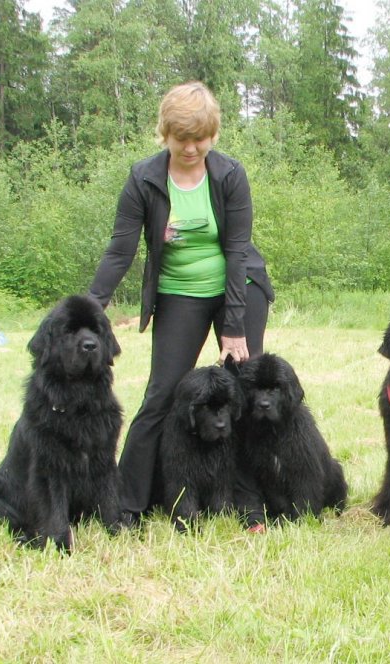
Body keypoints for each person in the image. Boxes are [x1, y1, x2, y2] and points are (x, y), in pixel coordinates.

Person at [88, 81, 274, 523]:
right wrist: (92, 307)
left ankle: (249, 501)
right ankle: (127, 505)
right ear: (165, 134)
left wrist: (233, 324)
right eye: (182, 139)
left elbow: (237, 250)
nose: (192, 148)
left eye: (201, 139)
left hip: (239, 287)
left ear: (214, 135)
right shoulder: (144, 178)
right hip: (180, 292)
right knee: (162, 396)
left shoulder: (229, 175)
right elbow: (120, 250)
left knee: (247, 394)